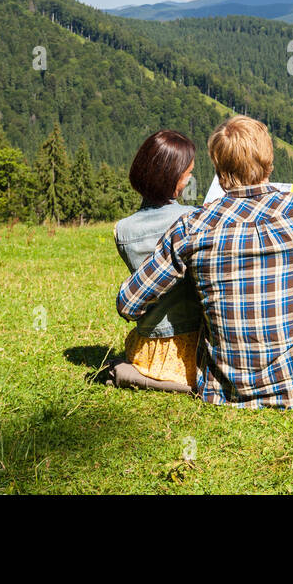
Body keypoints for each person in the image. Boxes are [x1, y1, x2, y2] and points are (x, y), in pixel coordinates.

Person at [116, 115, 293, 408]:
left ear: (218, 169)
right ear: (269, 164)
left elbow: (129, 303)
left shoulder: (191, 227)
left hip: (223, 389)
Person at [110, 130, 202, 393]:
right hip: (194, 346)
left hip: (148, 351)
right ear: (172, 177)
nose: (191, 178)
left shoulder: (122, 230)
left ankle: (132, 374)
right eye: (188, 173)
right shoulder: (192, 218)